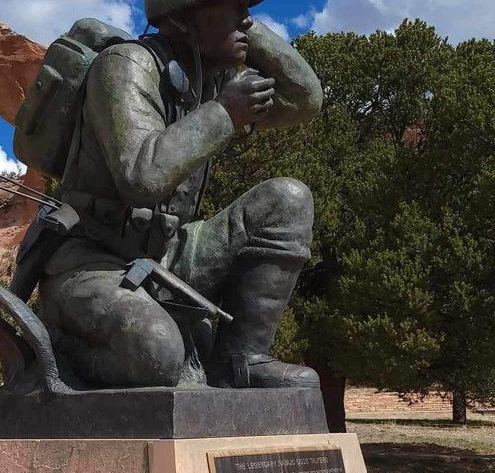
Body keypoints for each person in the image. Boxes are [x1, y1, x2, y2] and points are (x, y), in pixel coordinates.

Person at [25, 0, 323, 389]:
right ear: (181, 19)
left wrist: (238, 32)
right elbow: (141, 177)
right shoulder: (125, 65)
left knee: (288, 199)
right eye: (231, 7)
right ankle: (60, 350)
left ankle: (240, 361)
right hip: (91, 261)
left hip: (168, 253)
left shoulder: (210, 80)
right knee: (158, 353)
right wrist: (224, 112)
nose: (247, 19)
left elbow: (304, 99)